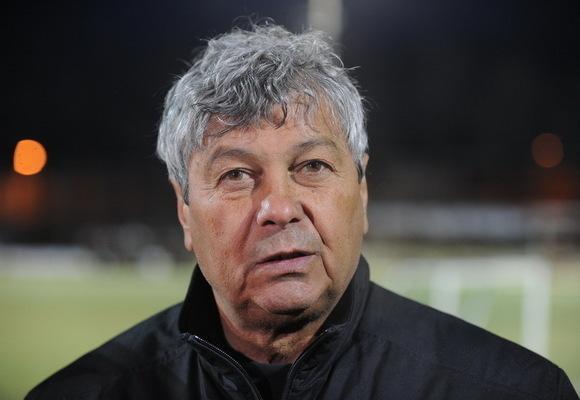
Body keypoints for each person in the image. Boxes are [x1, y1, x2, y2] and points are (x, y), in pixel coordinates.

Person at [27, 22, 578, 400]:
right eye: (236, 175)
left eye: (312, 165)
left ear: (362, 191)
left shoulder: (517, 391)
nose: (279, 208)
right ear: (184, 211)